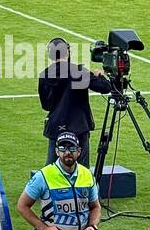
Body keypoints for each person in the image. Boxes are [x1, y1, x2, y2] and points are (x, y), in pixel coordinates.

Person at [39, 37, 112, 165]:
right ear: (67, 52)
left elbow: (46, 105)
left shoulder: (45, 75)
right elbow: (105, 87)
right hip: (78, 126)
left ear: (51, 55)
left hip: (56, 126)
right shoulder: (78, 72)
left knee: (51, 170)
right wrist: (100, 75)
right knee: (82, 170)